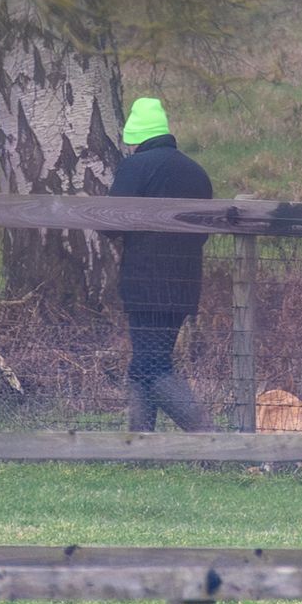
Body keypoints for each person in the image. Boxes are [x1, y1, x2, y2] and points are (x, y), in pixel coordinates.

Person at [109, 97, 215, 432]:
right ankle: (139, 445)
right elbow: (203, 233)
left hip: (144, 284)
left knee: (151, 366)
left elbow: (109, 222)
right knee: (146, 363)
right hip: (184, 285)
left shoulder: (135, 167)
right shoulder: (196, 172)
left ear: (135, 139)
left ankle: (210, 440)